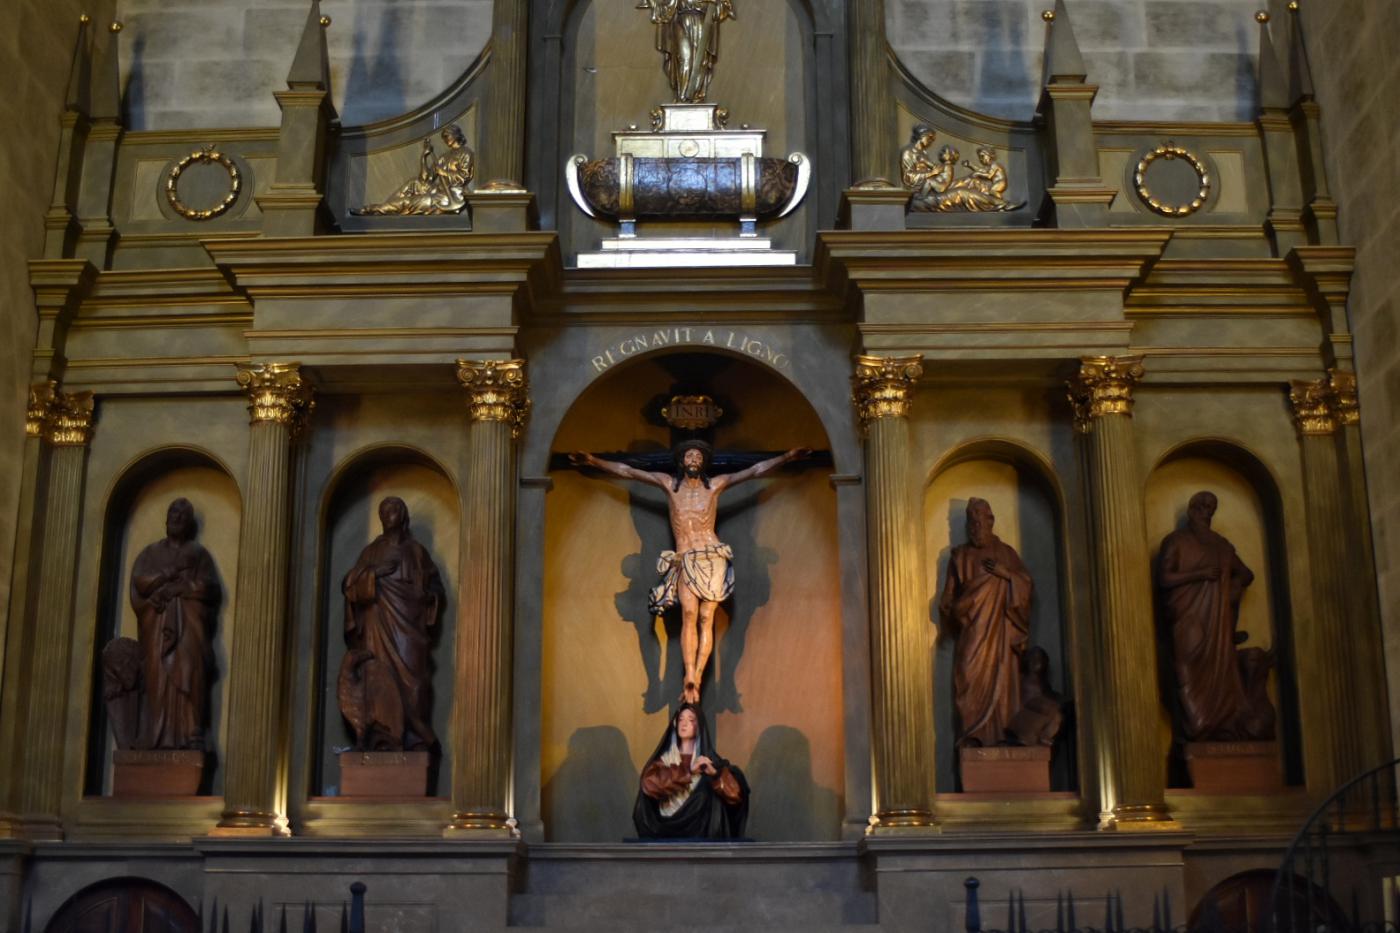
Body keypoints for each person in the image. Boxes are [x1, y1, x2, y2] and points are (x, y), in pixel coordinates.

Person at [571, 441, 807, 703]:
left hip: (712, 556)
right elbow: (628, 471)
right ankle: (690, 675)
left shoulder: (717, 485)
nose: (693, 458)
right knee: (689, 613)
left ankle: (699, 674)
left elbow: (754, 471)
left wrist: (786, 456)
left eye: (697, 456)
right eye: (688, 455)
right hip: (686, 557)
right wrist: (594, 461)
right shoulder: (668, 485)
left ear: (703, 462)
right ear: (682, 461)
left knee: (707, 617)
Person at [339, 496, 445, 751]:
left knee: (414, 681)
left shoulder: (417, 552)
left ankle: (415, 737)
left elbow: (436, 588)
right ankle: (380, 737)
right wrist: (374, 574)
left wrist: (429, 598)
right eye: (384, 510)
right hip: (377, 625)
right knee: (376, 677)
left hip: (409, 628)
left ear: (404, 514)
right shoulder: (370, 552)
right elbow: (349, 585)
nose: (389, 514)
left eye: (395, 509)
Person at [1156, 491, 1256, 741]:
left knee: (1221, 670)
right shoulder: (1176, 541)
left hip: (1217, 622)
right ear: (1191, 509)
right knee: (1187, 667)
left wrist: (1232, 590)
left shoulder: (1221, 545)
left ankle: (1223, 726)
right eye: (1200, 505)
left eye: (1210, 506)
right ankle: (1197, 725)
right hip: (1188, 617)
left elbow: (1245, 574)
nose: (1205, 510)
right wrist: (1199, 574)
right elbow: (1164, 578)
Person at [938, 498, 1034, 748]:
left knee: (1002, 684)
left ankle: (1002, 736)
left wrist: (1007, 575)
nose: (975, 528)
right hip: (972, 632)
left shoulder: (1007, 554)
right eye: (971, 523)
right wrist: (952, 608)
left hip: (1000, 635)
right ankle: (972, 736)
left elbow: (1026, 586)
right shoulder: (959, 557)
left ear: (991, 522)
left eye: (980, 522)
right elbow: (947, 599)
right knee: (967, 678)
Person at [128, 498, 219, 750]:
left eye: (181, 514)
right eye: (172, 512)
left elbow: (210, 588)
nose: (175, 517)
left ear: (189, 522)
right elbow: (139, 585)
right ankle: (156, 736)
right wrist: (160, 588)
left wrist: (182, 589)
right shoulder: (150, 553)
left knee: (190, 670)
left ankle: (192, 731)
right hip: (157, 629)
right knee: (157, 678)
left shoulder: (198, 554)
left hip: (189, 628)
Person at [634, 704, 748, 838]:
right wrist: (688, 771)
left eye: (691, 720)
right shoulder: (665, 760)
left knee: (704, 793)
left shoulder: (708, 762)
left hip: (701, 833)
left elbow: (735, 797)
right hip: (665, 830)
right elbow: (649, 785)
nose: (684, 724)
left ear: (699, 726)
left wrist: (715, 775)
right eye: (681, 719)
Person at [352, 124, 475, 215]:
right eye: (443, 136)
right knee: (414, 183)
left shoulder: (466, 153)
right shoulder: (444, 157)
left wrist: (443, 172)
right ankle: (385, 208)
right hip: (438, 190)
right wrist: (424, 157)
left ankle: (373, 209)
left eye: (447, 135)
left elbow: (463, 177)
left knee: (409, 202)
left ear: (455, 134)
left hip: (450, 196)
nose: (444, 138)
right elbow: (426, 178)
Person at [641, 0, 736, 103]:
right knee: (685, 58)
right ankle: (682, 96)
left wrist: (722, 5)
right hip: (682, 22)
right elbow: (668, 9)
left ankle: (695, 95)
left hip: (702, 23)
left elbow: (717, 10)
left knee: (701, 61)